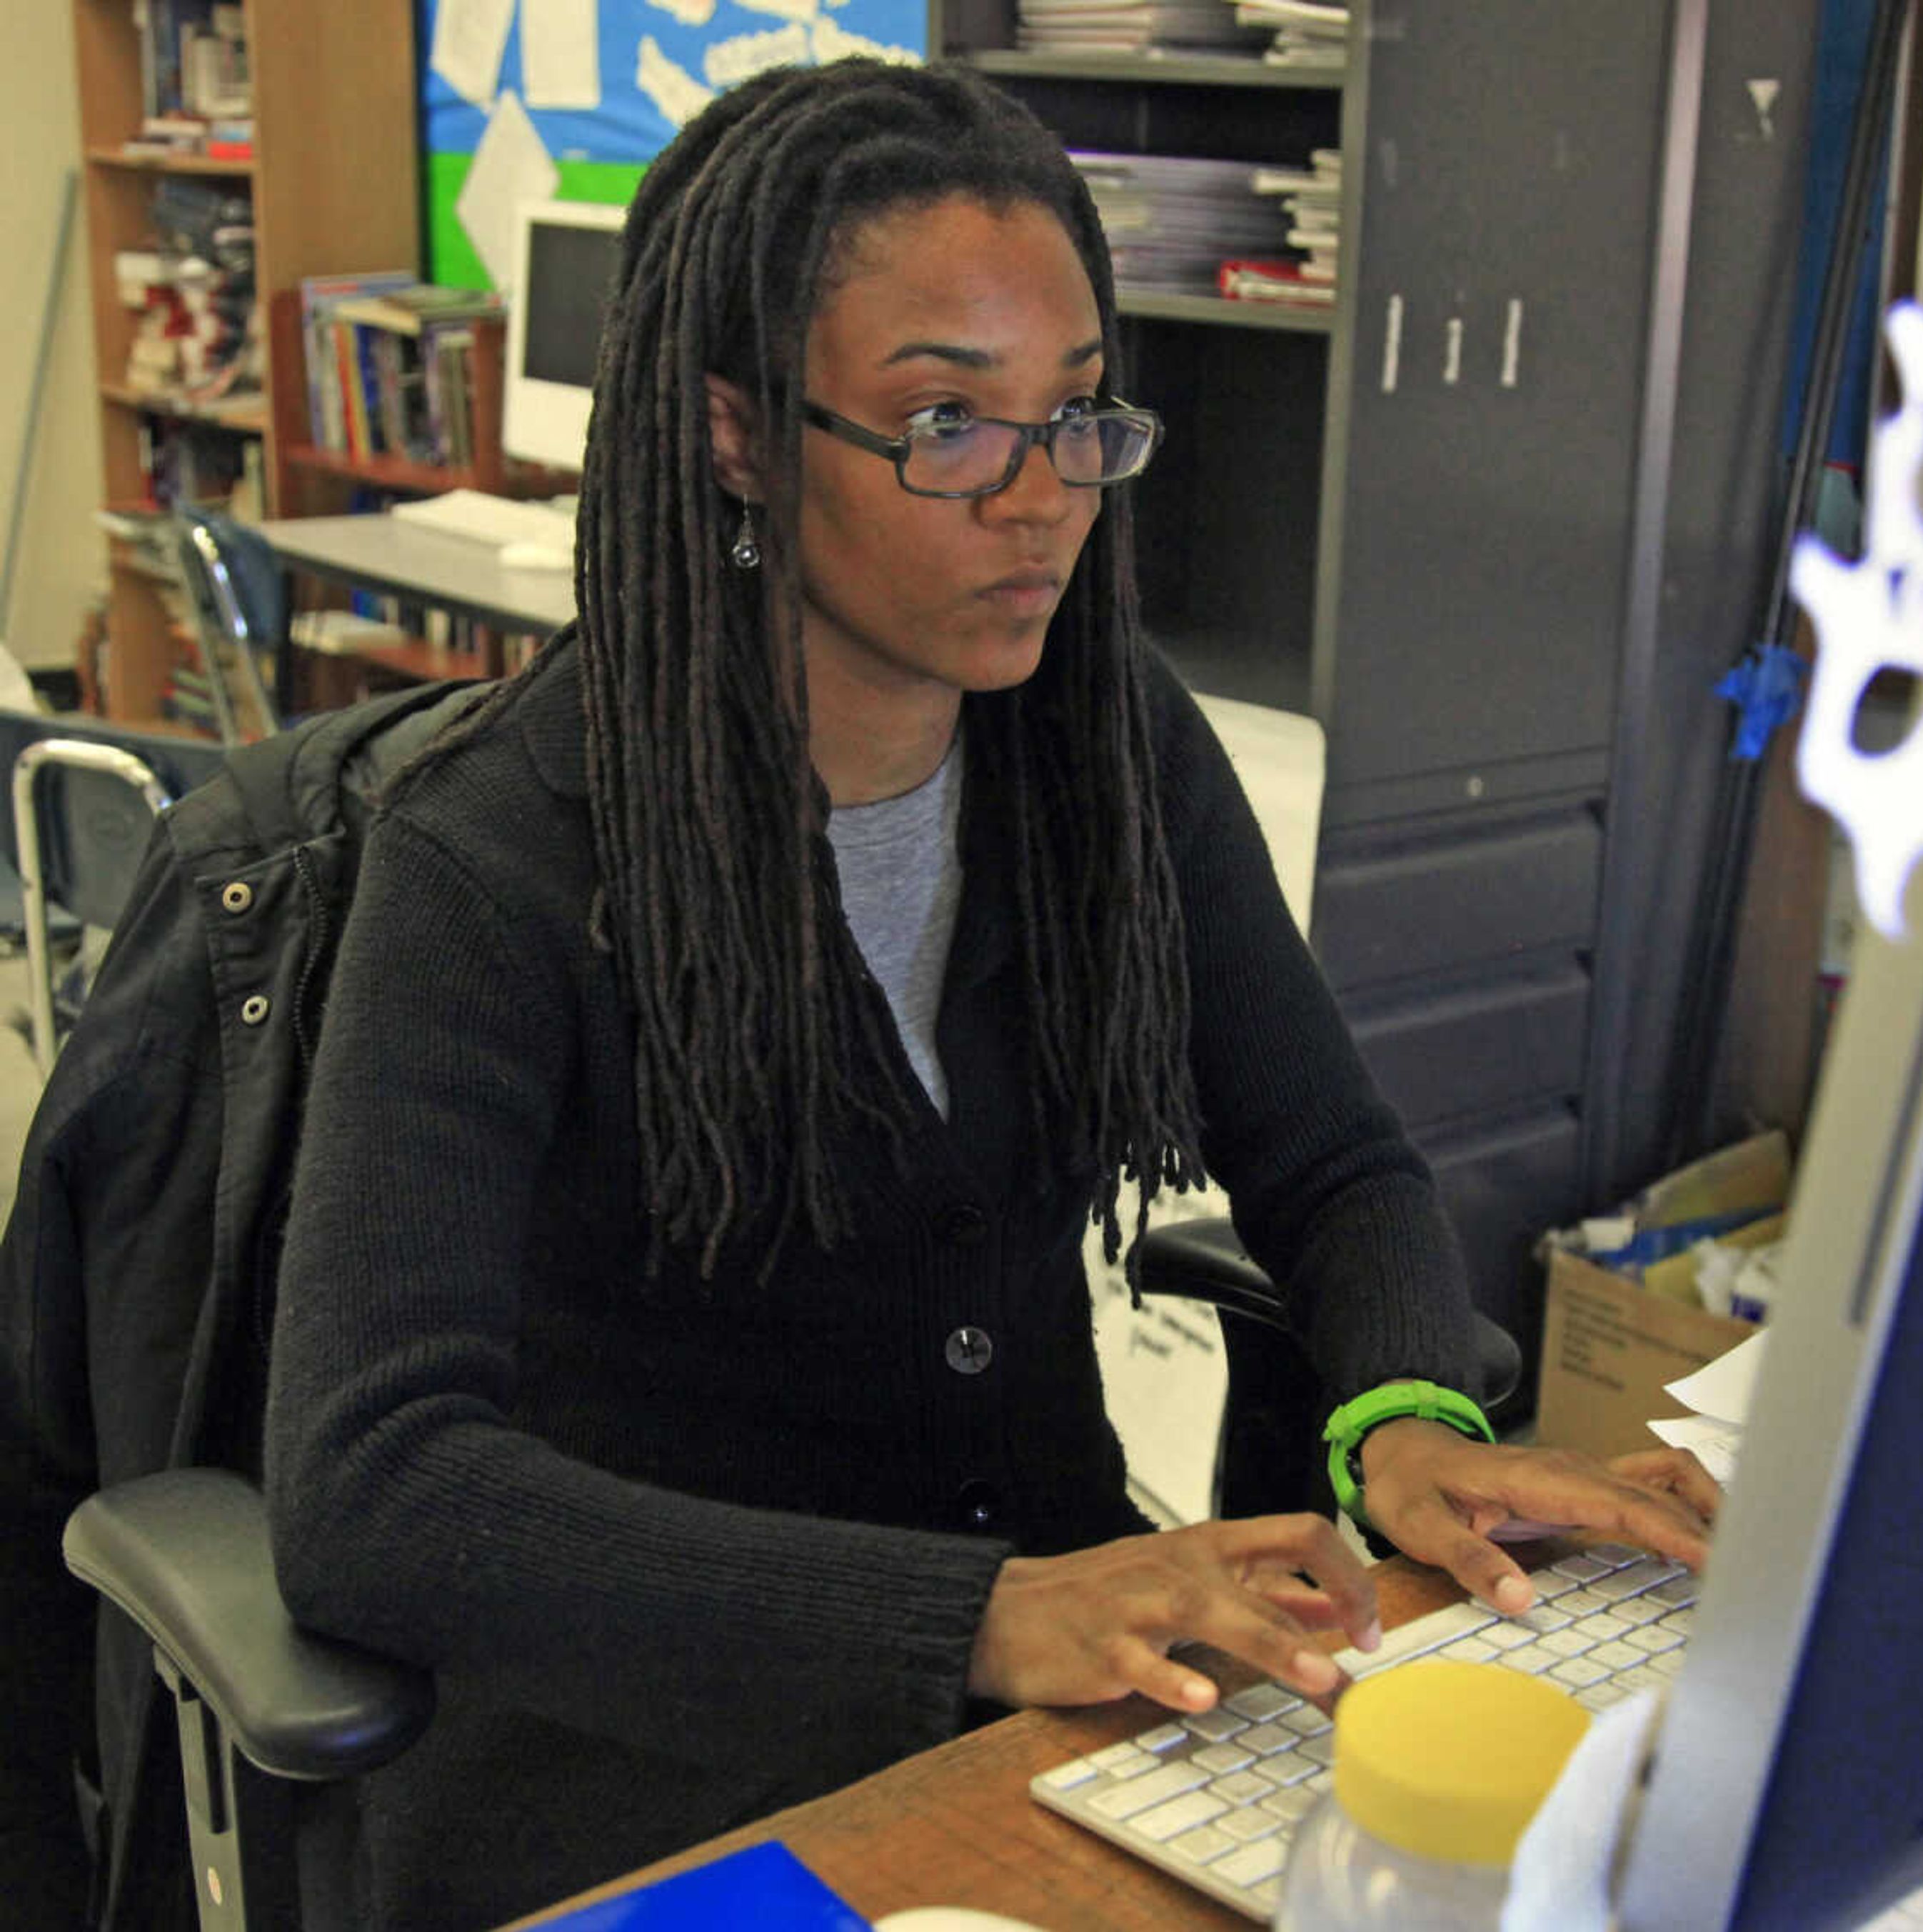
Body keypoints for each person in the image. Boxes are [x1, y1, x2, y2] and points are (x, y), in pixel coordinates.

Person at [251, 59, 1716, 1929]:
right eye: (948, 423)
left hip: (1074, 1698)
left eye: (1078, 416)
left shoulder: (1100, 753)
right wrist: (989, 1610)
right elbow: (377, 1483)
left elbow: (1335, 1160)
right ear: (736, 436)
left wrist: (1408, 1422)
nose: (1044, 503)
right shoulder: (498, 858)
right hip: (654, 1768)